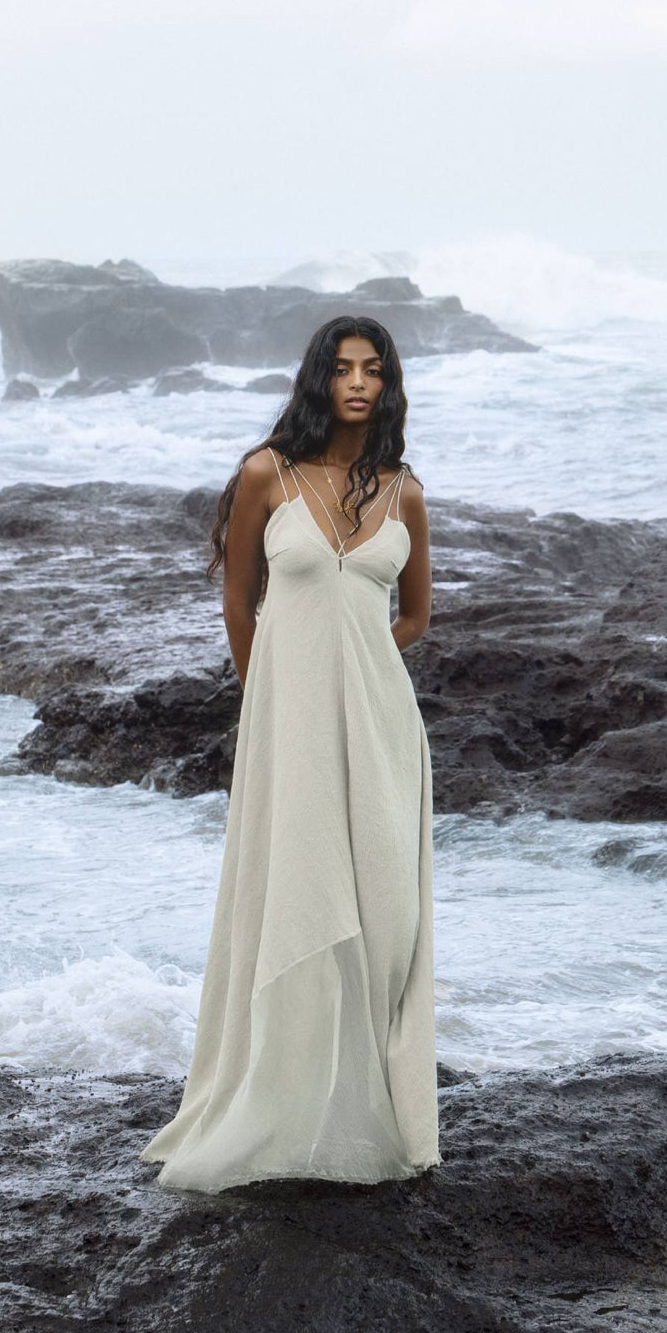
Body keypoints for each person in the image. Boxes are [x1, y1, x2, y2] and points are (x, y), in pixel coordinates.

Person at [138, 314, 441, 1192]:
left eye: (372, 370)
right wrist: (266, 691)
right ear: (319, 379)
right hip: (290, 723)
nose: (357, 383)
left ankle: (374, 1108)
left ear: (387, 385)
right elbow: (240, 600)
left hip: (383, 725)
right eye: (342, 368)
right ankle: (282, 1101)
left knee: (388, 916)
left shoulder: (406, 491)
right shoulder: (265, 476)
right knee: (299, 896)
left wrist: (367, 658)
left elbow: (414, 615)